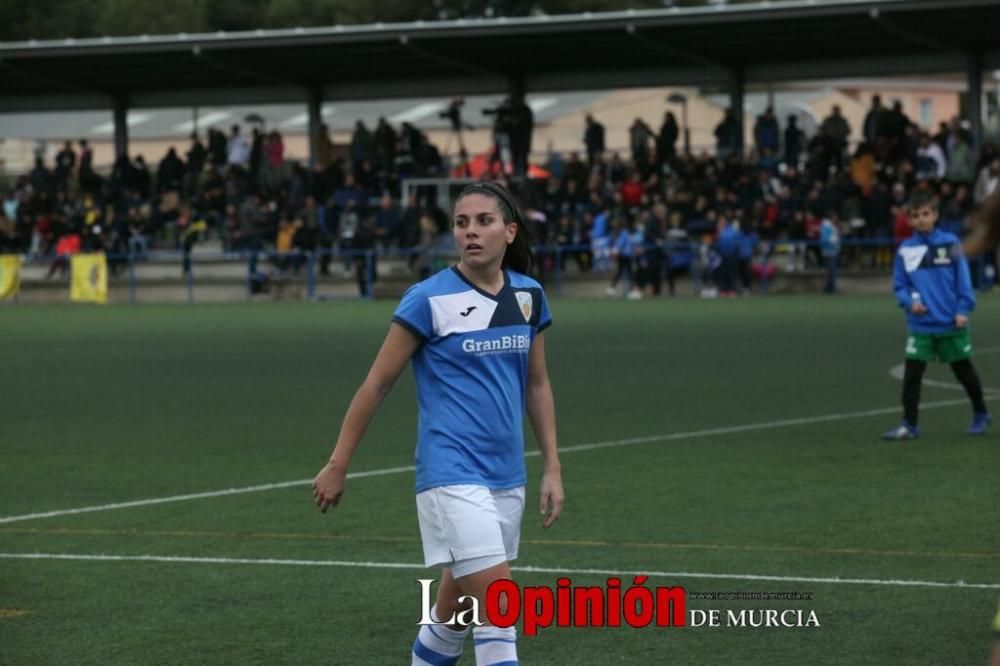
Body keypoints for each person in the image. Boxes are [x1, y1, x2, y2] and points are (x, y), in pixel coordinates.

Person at [312, 181, 564, 666]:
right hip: (449, 475)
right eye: (461, 222)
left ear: (509, 232)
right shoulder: (427, 299)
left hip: (507, 477)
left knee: (453, 620)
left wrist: (552, 465)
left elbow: (538, 385)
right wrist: (338, 463)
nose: (470, 232)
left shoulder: (529, 296)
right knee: (498, 614)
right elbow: (376, 385)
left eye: (484, 222)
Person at [882, 192, 990, 440]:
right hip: (920, 324)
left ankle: (981, 413)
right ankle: (909, 424)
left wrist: (963, 310)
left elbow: (963, 281)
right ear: (909, 220)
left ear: (935, 216)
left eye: (925, 214)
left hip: (950, 321)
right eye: (915, 216)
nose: (921, 220)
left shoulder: (950, 243)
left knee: (963, 372)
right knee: (912, 375)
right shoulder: (906, 250)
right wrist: (910, 303)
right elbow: (900, 286)